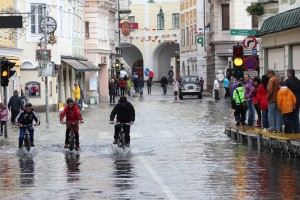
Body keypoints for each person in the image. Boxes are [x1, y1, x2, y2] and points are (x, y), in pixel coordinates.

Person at [285, 68, 300, 133]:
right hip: (297, 100)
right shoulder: (298, 81)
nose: (286, 74)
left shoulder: (287, 81)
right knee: (296, 116)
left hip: (289, 101)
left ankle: (290, 130)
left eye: (287, 73)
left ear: (290, 73)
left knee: (289, 116)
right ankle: (297, 130)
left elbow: (285, 92)